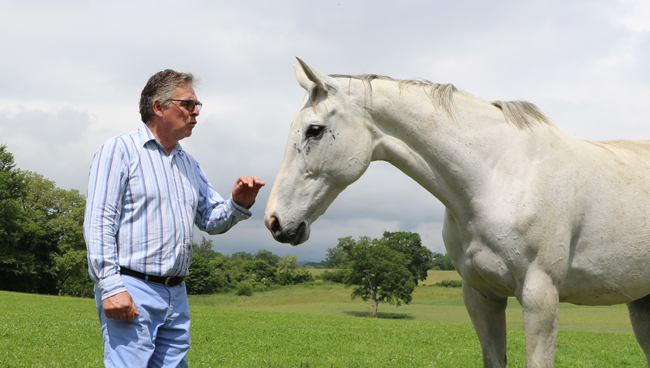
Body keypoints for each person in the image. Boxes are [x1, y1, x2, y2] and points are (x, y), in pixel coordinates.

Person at [83, 69, 265, 367]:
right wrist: (111, 285)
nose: (195, 112)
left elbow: (210, 220)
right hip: (131, 287)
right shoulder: (119, 150)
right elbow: (99, 222)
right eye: (188, 104)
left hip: (176, 293)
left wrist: (237, 204)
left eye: (197, 106)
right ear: (158, 107)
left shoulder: (189, 163)